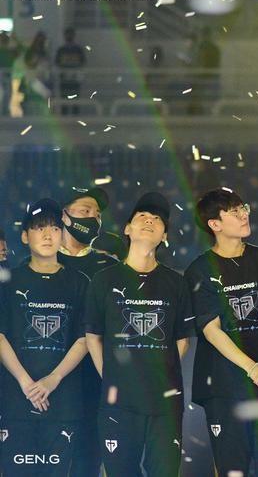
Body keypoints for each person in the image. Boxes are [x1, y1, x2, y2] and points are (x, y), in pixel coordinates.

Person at [185, 188, 258, 476]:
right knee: (233, 468)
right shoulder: (200, 270)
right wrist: (252, 368)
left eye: (242, 207)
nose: (243, 214)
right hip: (224, 387)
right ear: (214, 224)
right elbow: (211, 330)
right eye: (233, 211)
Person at [83, 192, 195, 476]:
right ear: (127, 229)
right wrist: (111, 375)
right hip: (118, 404)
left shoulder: (176, 283)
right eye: (142, 216)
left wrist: (158, 373)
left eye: (157, 219)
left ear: (164, 236)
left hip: (165, 404)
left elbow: (182, 339)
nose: (149, 221)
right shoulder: (104, 280)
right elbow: (93, 335)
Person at [0, 198, 90, 476]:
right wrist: (27, 383)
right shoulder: (8, 281)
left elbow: (85, 338)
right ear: (25, 236)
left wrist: (53, 379)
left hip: (63, 403)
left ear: (63, 235)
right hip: (16, 401)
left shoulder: (79, 282)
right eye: (40, 228)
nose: (48, 235)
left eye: (54, 228)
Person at [59, 187, 118, 477]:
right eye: (85, 211)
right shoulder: (36, 263)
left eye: (97, 214)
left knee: (88, 462)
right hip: (47, 382)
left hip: (95, 381)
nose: (93, 217)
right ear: (64, 216)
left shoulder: (111, 268)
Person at [54, 27, 86, 115]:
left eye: (70, 34)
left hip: (75, 78)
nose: (69, 36)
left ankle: (75, 117)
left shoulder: (78, 50)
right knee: (64, 100)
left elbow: (82, 61)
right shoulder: (61, 50)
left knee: (75, 100)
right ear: (64, 36)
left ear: (73, 36)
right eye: (67, 35)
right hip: (64, 78)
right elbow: (57, 62)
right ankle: (65, 116)